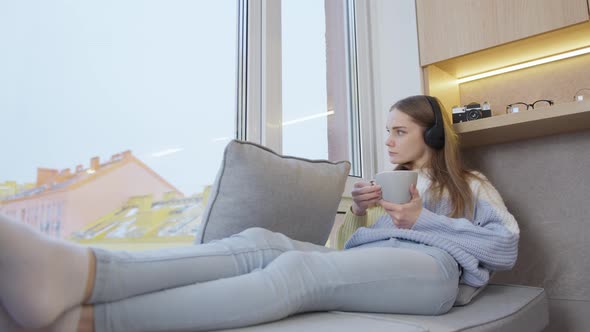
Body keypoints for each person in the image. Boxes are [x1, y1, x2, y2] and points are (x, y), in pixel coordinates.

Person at [0, 95, 520, 332]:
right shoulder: (384, 186)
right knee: (262, 242)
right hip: (388, 265)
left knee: (297, 271)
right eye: (386, 129)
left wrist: (420, 221)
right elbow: (350, 263)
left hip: (435, 275)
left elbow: (506, 247)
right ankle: (78, 273)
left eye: (399, 130)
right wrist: (365, 219)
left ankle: (87, 322)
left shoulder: (469, 186)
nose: (387, 140)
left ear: (429, 135)